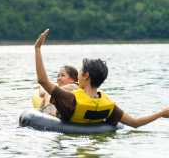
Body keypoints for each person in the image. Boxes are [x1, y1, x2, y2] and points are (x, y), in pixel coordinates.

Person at [34, 29, 169, 127]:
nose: (79, 73)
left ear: (86, 75)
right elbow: (135, 123)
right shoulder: (108, 105)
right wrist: (161, 113)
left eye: (81, 71)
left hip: (63, 127)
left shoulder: (69, 99)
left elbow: (43, 81)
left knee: (45, 92)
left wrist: (37, 48)